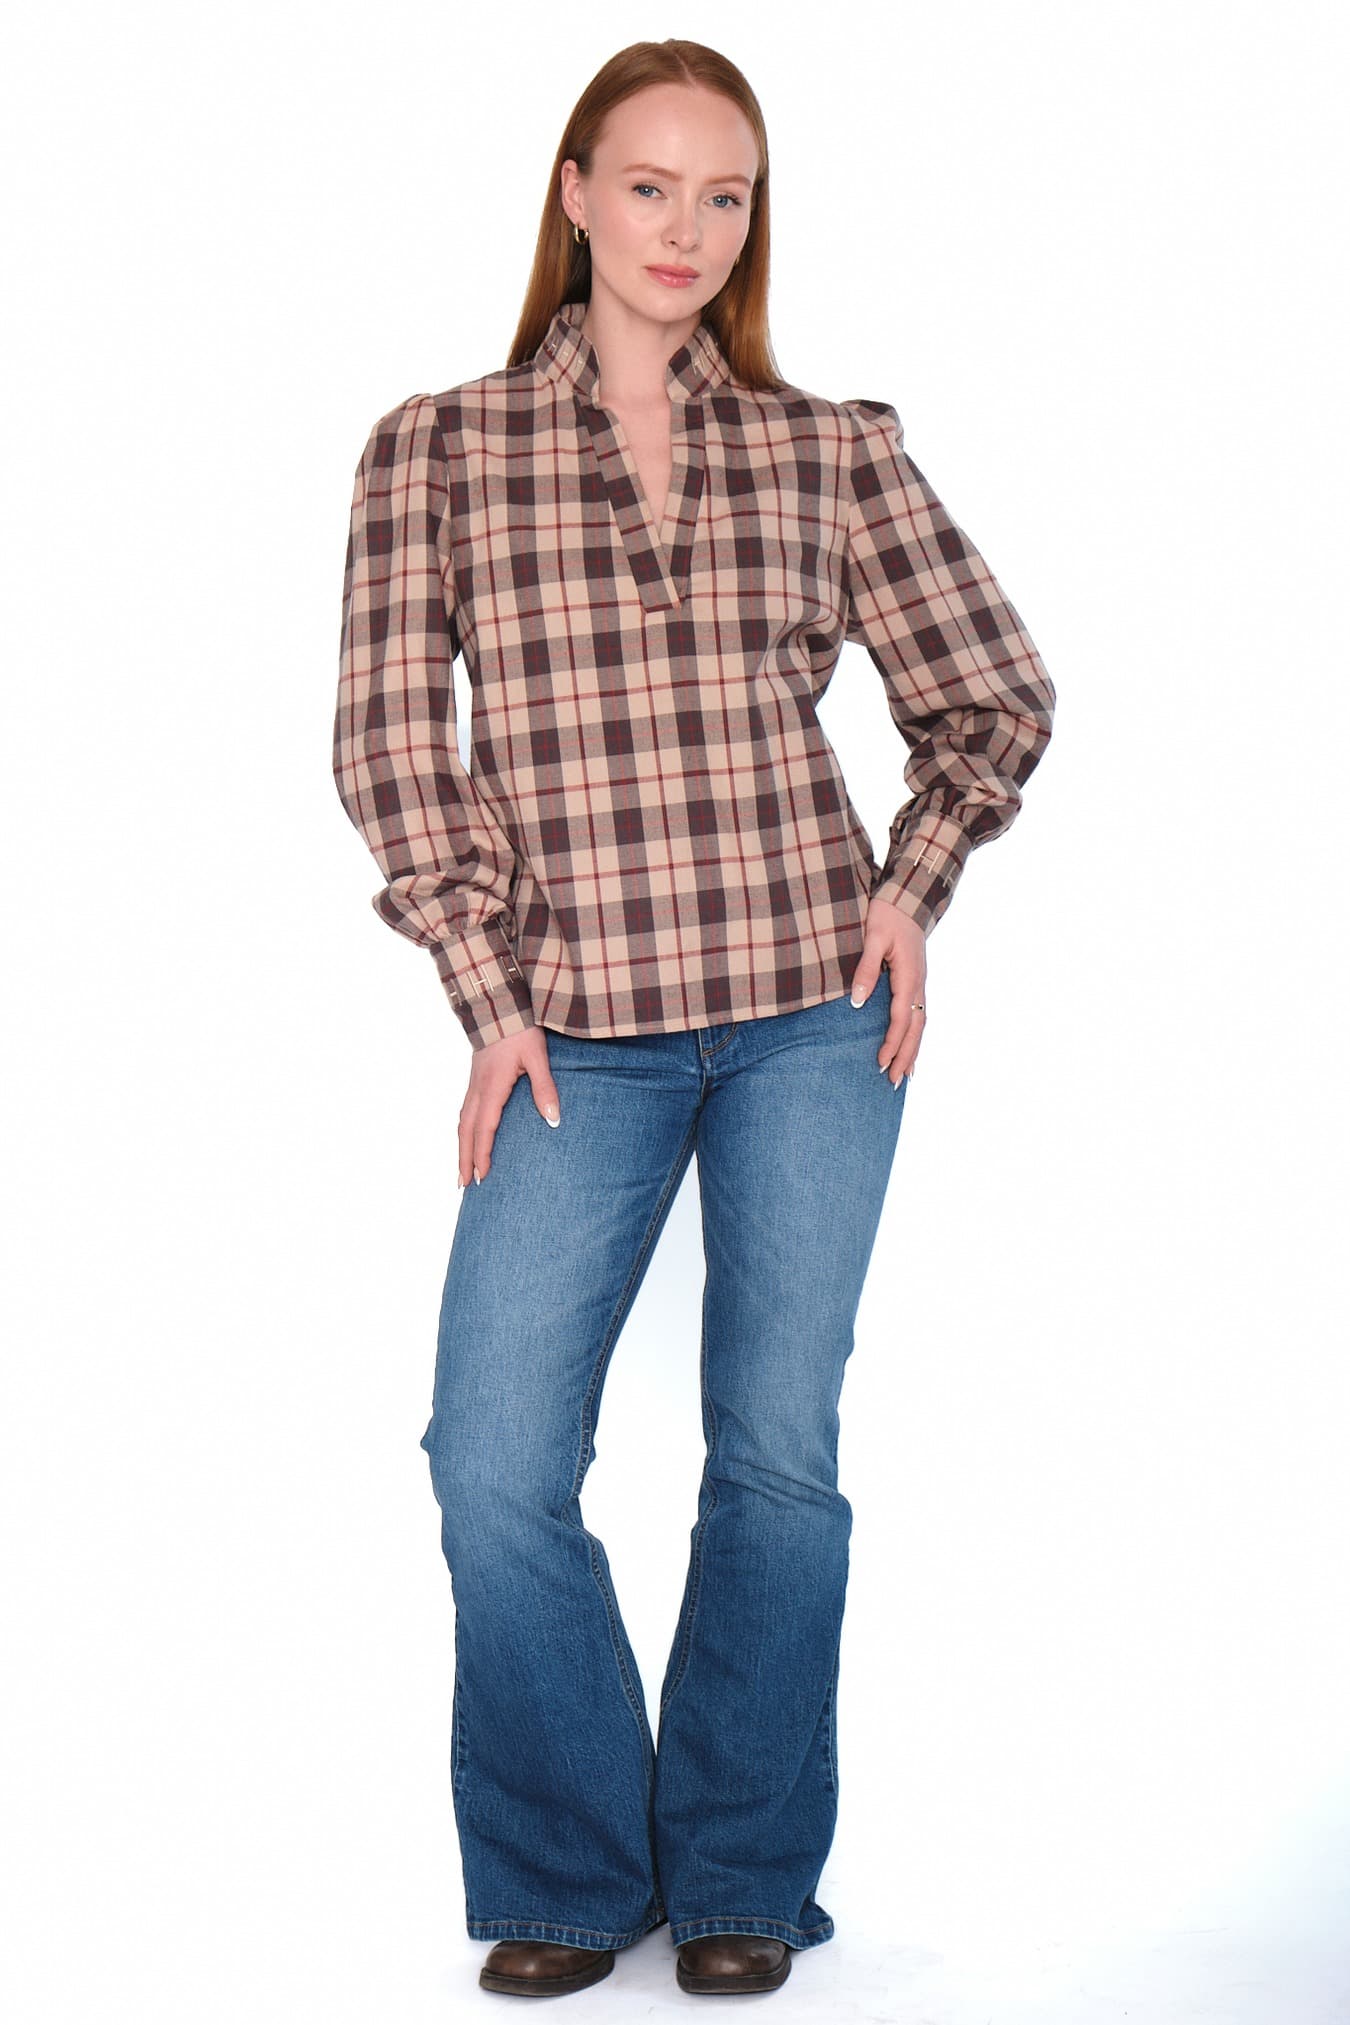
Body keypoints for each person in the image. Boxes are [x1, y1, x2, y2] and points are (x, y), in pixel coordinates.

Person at [333, 37, 1055, 2004]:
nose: (686, 227)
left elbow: (991, 691)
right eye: (647, 184)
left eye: (723, 193)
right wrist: (484, 994)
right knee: (491, 1455)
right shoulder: (437, 448)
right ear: (573, 193)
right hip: (573, 1026)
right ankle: (569, 1869)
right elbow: (390, 746)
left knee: (775, 1451)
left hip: (816, 1015)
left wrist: (908, 888)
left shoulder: (831, 449)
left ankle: (741, 1868)